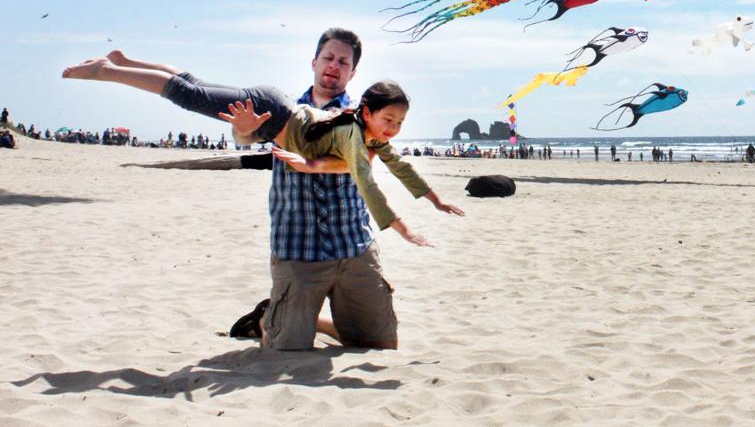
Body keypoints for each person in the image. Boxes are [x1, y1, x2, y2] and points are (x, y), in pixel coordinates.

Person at [63, 35, 463, 350]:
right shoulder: (357, 126)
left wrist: (434, 198)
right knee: (194, 96)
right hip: (294, 223)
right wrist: (403, 228)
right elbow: (366, 181)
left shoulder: (367, 121)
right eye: (328, 58)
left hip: (350, 244)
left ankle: (126, 60)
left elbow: (389, 165)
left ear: (354, 71)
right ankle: (108, 70)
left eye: (343, 61)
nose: (393, 127)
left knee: (198, 85)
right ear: (315, 62)